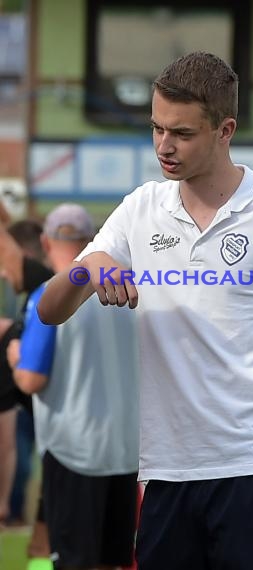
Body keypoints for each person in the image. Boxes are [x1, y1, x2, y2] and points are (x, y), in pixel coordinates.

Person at [38, 52, 253, 570]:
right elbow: (50, 311)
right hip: (167, 474)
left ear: (225, 129)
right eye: (156, 128)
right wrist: (87, 267)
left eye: (182, 133)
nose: (164, 146)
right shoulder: (140, 208)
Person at [9, 203, 140, 570]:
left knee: (71, 560)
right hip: (126, 450)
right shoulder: (128, 288)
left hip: (73, 451)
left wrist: (16, 359)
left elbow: (32, 379)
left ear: (46, 243)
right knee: (114, 561)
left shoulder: (48, 296)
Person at [0, 215, 54, 569]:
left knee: (50, 543)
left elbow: (31, 380)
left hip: (67, 447)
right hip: (77, 446)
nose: (4, 276)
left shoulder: (43, 287)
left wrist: (18, 358)